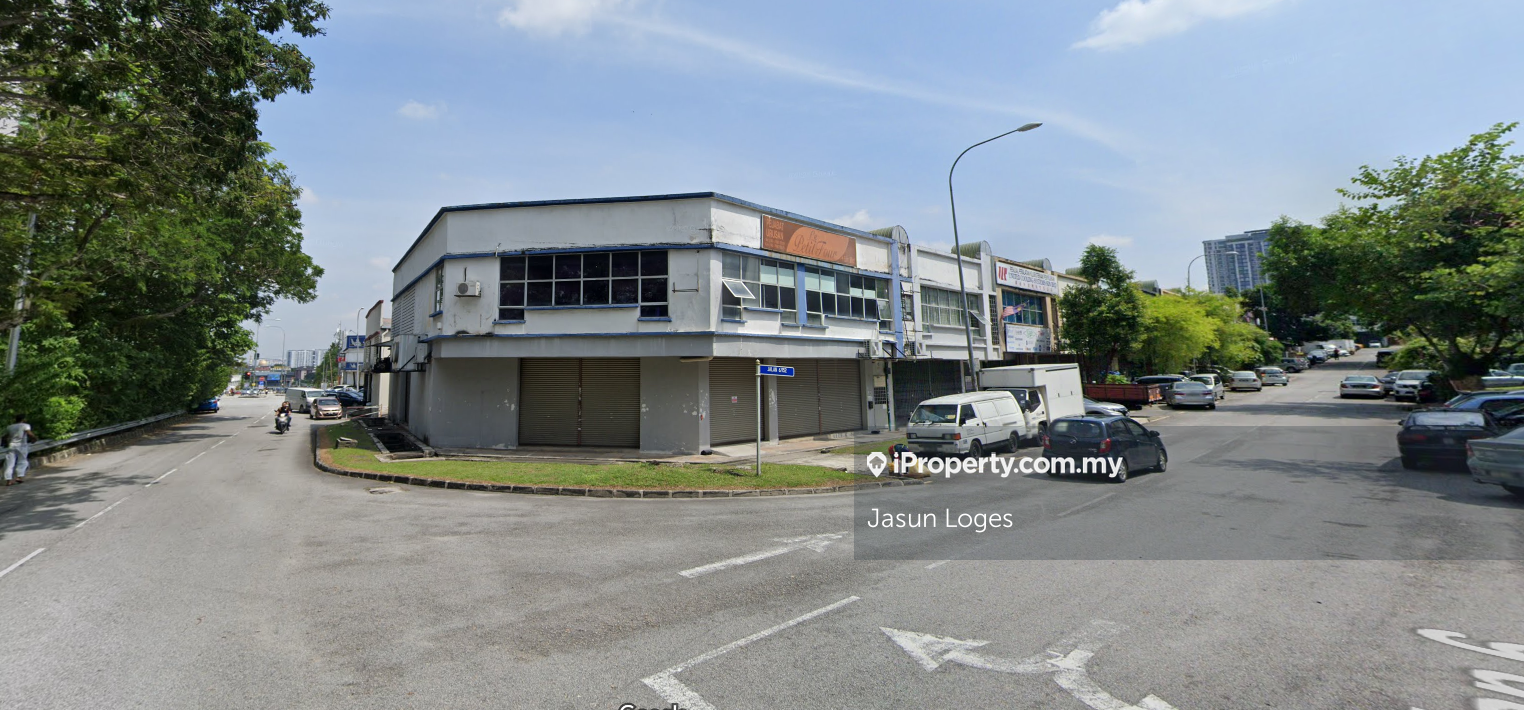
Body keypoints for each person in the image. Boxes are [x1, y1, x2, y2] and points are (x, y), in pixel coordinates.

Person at [4, 413, 38, 486]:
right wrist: (34, 439)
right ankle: (19, 477)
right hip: (21, 446)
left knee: (9, 463)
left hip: (11, 445)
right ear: (23, 419)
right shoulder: (25, 425)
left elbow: (5, 436)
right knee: (22, 461)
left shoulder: (9, 427)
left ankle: (8, 481)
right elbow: (29, 433)